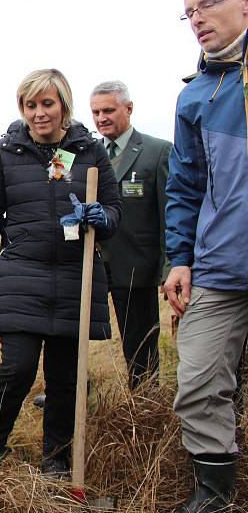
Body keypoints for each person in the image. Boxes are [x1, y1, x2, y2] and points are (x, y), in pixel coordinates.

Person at [0, 69, 121, 476]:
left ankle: (56, 456)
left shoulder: (90, 150)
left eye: (47, 104)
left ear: (63, 105)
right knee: (16, 368)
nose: (39, 113)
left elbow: (114, 208)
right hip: (22, 272)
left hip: (75, 276)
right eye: (30, 105)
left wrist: (100, 217)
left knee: (65, 377)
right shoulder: (4, 152)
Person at [164, 0, 248, 509]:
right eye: (189, 12)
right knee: (196, 382)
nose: (197, 18)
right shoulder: (197, 93)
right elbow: (186, 186)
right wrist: (181, 258)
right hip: (220, 268)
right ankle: (213, 498)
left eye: (207, 5)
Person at [90, 81, 172, 390]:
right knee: (72, 339)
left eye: (108, 110)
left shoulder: (157, 151)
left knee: (140, 347)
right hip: (91, 266)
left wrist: (169, 266)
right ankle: (74, 397)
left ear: (128, 108)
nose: (101, 118)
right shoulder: (85, 153)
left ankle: (144, 406)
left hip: (137, 266)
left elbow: (169, 214)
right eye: (96, 112)